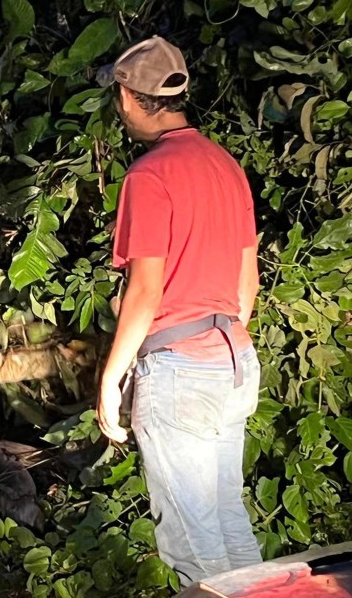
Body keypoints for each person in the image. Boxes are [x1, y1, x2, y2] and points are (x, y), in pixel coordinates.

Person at [95, 37, 262, 586]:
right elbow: (246, 287)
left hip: (181, 370)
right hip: (234, 361)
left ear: (127, 96)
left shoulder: (149, 176)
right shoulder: (225, 165)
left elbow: (145, 291)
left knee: (194, 546)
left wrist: (111, 379)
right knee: (228, 518)